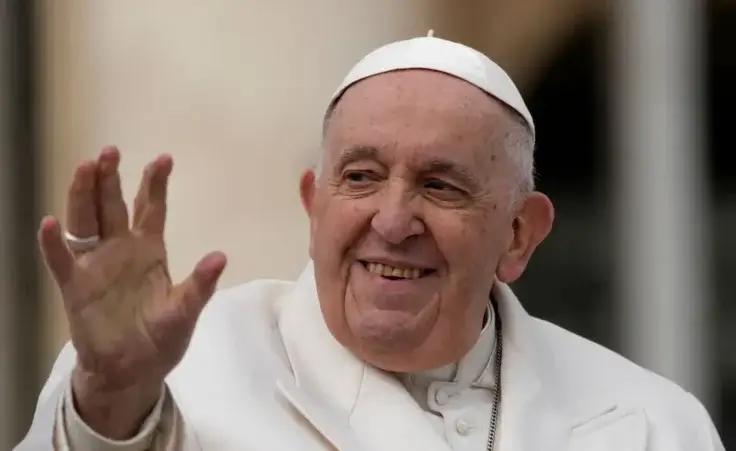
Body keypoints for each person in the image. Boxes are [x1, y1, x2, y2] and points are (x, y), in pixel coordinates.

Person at [16, 33, 724, 451]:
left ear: (518, 234)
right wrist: (110, 403)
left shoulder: (652, 423)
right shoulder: (168, 372)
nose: (392, 220)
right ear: (313, 204)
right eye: (360, 177)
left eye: (441, 185)